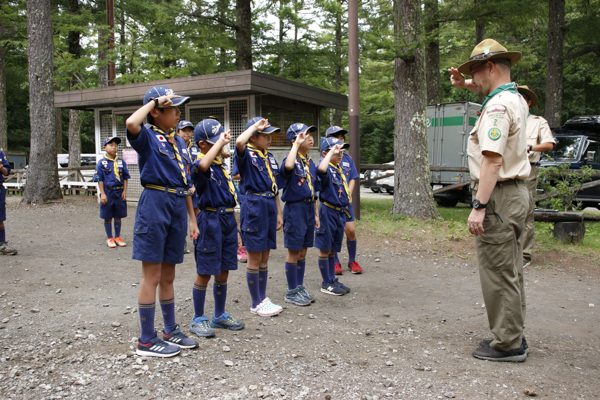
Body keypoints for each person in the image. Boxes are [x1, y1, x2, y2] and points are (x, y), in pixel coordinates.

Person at [449, 39, 530, 362]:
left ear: (491, 68)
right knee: (510, 267)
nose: (474, 80)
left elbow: (492, 161)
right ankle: (513, 332)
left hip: (498, 197)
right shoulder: (516, 98)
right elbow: (489, 88)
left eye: (476, 72)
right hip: (517, 194)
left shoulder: (497, 107)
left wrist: (479, 207)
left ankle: (508, 343)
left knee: (497, 269)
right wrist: (465, 83)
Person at [125, 85, 199, 358]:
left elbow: (186, 182)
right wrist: (154, 100)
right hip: (155, 204)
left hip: (177, 205)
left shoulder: (179, 141)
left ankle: (170, 330)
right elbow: (132, 122)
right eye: (173, 108)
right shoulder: (146, 136)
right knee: (152, 275)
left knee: (169, 274)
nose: (179, 113)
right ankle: (146, 340)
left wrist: (193, 219)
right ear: (155, 112)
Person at [188, 118, 245, 338]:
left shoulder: (221, 166)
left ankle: (219, 315)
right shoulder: (200, 162)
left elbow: (229, 199)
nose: (221, 146)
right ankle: (198, 318)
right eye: (215, 142)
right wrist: (220, 146)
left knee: (223, 270)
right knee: (205, 271)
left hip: (228, 221)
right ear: (202, 144)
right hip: (209, 221)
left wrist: (237, 229)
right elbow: (202, 166)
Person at [235, 117, 284, 316]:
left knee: (265, 255)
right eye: (265, 135)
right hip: (254, 204)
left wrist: (279, 212)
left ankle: (262, 298)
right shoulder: (246, 153)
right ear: (253, 137)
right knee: (255, 256)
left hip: (269, 204)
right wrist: (254, 127)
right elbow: (239, 142)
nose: (270, 138)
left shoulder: (269, 156)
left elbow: (275, 187)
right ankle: (256, 302)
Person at [277, 123, 320, 306]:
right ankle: (291, 290)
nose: (310, 138)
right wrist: (295, 145)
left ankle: (300, 287)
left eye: (311, 134)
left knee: (303, 251)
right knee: (294, 251)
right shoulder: (291, 159)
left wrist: (316, 213)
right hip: (295, 209)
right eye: (305, 135)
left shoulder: (309, 162)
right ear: (294, 140)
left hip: (309, 208)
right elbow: (287, 166)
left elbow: (313, 190)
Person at [517, 86, 555, 268]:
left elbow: (549, 144)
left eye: (522, 98)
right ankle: (508, 250)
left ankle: (524, 254)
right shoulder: (508, 118)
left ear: (529, 102)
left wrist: (531, 148)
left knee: (526, 211)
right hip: (506, 170)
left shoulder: (538, 122)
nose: (519, 101)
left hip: (528, 170)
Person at [316, 137, 352, 296]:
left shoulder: (338, 168)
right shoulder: (326, 167)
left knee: (332, 249)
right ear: (325, 153)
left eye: (342, 152)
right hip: (327, 211)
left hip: (339, 212)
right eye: (337, 152)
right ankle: (326, 283)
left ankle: (332, 279)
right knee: (325, 248)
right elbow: (321, 170)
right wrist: (330, 153)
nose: (340, 154)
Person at [325, 126, 363, 275]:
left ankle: (352, 260)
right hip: (331, 203)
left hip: (345, 202)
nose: (339, 140)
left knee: (351, 231)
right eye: (335, 137)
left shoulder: (347, 159)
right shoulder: (326, 159)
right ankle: (335, 261)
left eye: (341, 137)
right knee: (334, 233)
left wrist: (348, 195)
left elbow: (353, 177)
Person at [94, 137, 130, 248]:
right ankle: (110, 237)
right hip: (108, 191)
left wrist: (124, 191)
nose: (114, 147)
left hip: (119, 192)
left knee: (118, 215)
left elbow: (125, 177)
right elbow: (100, 179)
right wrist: (102, 193)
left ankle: (118, 237)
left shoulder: (121, 162)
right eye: (111, 145)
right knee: (108, 215)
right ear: (104, 148)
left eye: (116, 145)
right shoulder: (102, 163)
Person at [176, 120, 198, 254]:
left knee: (196, 215)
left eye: (189, 130)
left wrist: (194, 185)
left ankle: (197, 241)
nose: (187, 133)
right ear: (178, 132)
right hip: (181, 186)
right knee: (181, 216)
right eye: (184, 130)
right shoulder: (175, 147)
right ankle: (181, 243)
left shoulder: (195, 148)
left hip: (195, 187)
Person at [0, 150, 17, 255]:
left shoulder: (0, 154)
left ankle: (2, 245)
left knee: (0, 217)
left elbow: (6, 172)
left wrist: (1, 167)